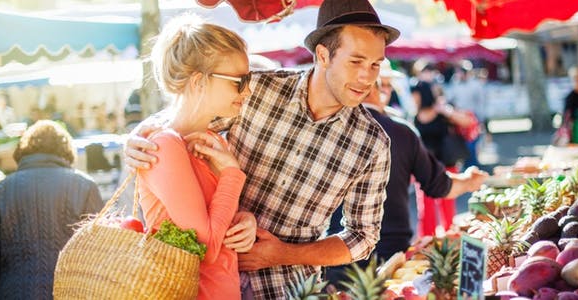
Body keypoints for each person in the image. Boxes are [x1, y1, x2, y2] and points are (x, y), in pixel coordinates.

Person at [125, 0, 399, 298]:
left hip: (288, 289)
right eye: (356, 62)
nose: (367, 78)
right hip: (204, 280)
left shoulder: (372, 144)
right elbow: (187, 117)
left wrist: (283, 254)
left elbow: (362, 238)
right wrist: (139, 136)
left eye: (375, 65)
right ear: (323, 55)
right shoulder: (255, 89)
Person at [135, 15, 257, 299]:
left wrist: (245, 221)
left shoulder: (211, 141)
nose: (247, 90)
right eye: (239, 81)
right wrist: (232, 175)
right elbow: (207, 247)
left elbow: (214, 219)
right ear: (199, 81)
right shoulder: (164, 147)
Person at [326, 80, 487, 283]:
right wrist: (470, 181)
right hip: (391, 258)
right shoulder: (402, 132)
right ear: (377, 91)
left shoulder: (327, 132)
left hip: (337, 257)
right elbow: (440, 186)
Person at [0, 120, 104, 299]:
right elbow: (100, 252)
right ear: (66, 151)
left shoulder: (0, 191)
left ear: (24, 151)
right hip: (70, 293)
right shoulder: (85, 187)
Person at [412, 78, 472, 236]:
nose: (413, 98)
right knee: (425, 211)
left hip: (447, 165)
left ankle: (451, 239)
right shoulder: (414, 115)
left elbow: (468, 122)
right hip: (424, 168)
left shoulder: (441, 111)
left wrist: (446, 110)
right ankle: (426, 243)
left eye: (415, 94)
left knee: (447, 207)